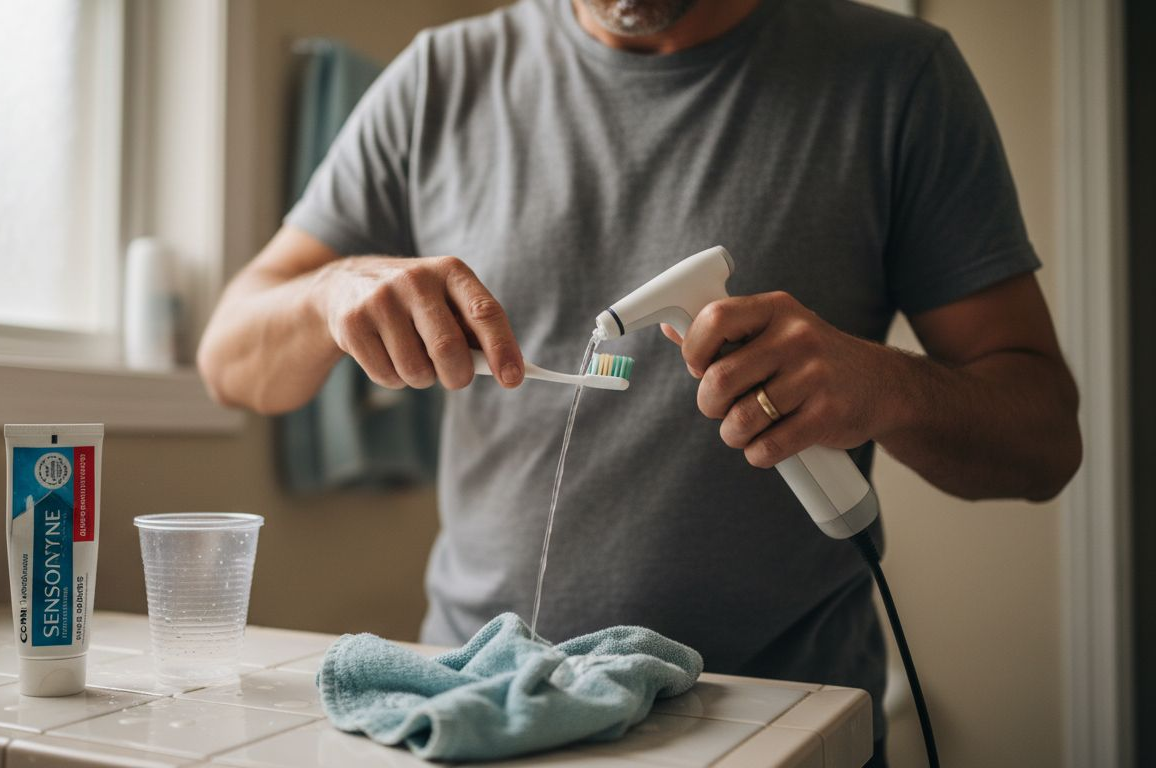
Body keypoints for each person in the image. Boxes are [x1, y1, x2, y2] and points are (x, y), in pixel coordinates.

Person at [198, 0, 1082, 763]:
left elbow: (1044, 442)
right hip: (479, 716)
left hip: (778, 731)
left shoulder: (898, 79)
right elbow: (228, 359)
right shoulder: (438, 81)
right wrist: (331, 289)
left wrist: (886, 386)